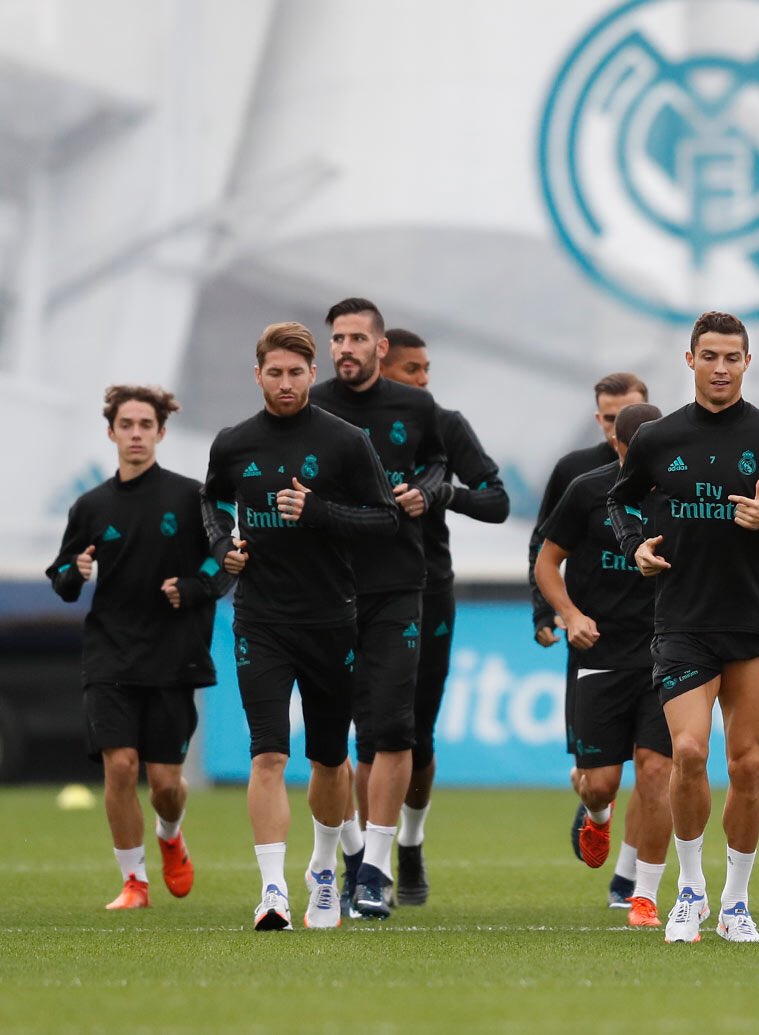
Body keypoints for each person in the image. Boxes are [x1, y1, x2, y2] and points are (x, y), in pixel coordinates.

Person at [607, 311, 759, 944]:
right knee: (690, 751)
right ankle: (690, 893)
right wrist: (634, 548)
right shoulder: (660, 438)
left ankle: (735, 903)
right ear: (690, 360)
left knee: (749, 765)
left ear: (747, 363)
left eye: (733, 357)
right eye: (710, 356)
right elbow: (620, 501)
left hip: (755, 625)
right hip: (681, 621)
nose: (721, 367)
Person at [201, 321, 399, 930]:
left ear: (312, 374)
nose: (285, 384)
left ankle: (321, 869)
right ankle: (271, 892)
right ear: (256, 374)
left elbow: (385, 518)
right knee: (267, 755)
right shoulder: (234, 443)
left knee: (330, 761)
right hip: (259, 618)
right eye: (274, 373)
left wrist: (318, 511)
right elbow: (213, 501)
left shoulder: (343, 442)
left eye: (295, 373)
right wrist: (223, 546)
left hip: (330, 618)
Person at [47, 385, 232, 910]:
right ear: (111, 433)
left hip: (174, 655)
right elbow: (61, 575)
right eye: (125, 425)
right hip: (109, 653)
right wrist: (74, 571)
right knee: (121, 766)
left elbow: (227, 560)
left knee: (166, 785)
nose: (135, 434)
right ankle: (135, 882)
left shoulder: (189, 497)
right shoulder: (91, 506)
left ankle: (171, 836)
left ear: (160, 432)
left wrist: (192, 587)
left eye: (144, 425)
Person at [308, 297, 448, 920]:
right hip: (326, 591)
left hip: (398, 588)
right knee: (333, 744)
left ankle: (377, 871)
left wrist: (425, 491)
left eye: (356, 337)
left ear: (380, 347)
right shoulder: (309, 407)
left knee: (393, 730)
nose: (345, 348)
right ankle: (352, 850)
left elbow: (443, 464)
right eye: (336, 337)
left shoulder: (417, 408)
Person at [379, 328, 511, 906]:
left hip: (426, 589)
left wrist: (443, 495)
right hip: (347, 593)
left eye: (427, 368)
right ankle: (364, 859)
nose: (424, 380)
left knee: (415, 735)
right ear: (382, 365)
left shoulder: (440, 422)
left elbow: (496, 500)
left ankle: (408, 843)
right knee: (364, 734)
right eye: (413, 369)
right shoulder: (334, 423)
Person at [535, 403, 672, 929]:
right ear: (615, 444)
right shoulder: (588, 491)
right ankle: (596, 816)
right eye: (626, 451)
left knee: (657, 771)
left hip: (667, 653)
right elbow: (547, 561)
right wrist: (569, 615)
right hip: (601, 654)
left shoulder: (681, 495)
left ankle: (644, 894)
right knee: (601, 784)